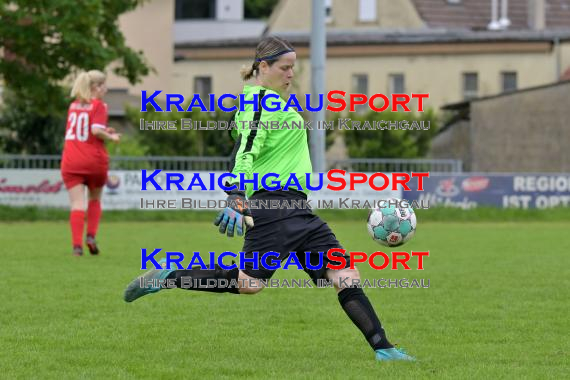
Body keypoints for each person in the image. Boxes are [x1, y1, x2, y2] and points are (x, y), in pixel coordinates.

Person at [124, 36, 414, 362]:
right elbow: (244, 152)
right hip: (273, 208)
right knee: (250, 283)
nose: (291, 74)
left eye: (294, 68)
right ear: (264, 67)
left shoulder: (274, 103)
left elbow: (240, 143)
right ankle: (168, 276)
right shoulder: (258, 102)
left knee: (344, 273)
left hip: (299, 209)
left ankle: (384, 349)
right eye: (285, 67)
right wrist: (235, 195)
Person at [61, 70, 121, 256]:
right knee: (94, 199)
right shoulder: (99, 105)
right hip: (93, 160)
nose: (106, 89)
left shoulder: (73, 106)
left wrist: (103, 130)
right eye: (103, 85)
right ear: (95, 87)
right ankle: (91, 237)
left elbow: (84, 129)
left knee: (77, 203)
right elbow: (95, 130)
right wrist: (110, 136)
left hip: (71, 160)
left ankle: (77, 247)